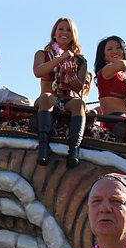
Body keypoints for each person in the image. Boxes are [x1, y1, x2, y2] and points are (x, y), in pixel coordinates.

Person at [34, 18, 88, 167]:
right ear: (54, 33)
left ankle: (74, 151)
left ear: (73, 35)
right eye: (61, 29)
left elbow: (78, 88)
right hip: (46, 100)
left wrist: (71, 75)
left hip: (68, 101)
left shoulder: (80, 60)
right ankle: (43, 148)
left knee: (79, 103)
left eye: (69, 30)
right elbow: (38, 72)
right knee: (47, 97)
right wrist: (60, 59)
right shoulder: (42, 54)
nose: (65, 32)